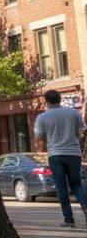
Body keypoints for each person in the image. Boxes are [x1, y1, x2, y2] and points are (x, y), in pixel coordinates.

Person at [33, 89, 87, 228]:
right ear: (59, 99)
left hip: (55, 154)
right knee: (76, 185)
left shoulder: (42, 117)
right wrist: (75, 136)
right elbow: (82, 129)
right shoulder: (73, 113)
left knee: (61, 187)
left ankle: (69, 220)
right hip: (73, 153)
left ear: (46, 101)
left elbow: (39, 136)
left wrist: (50, 139)